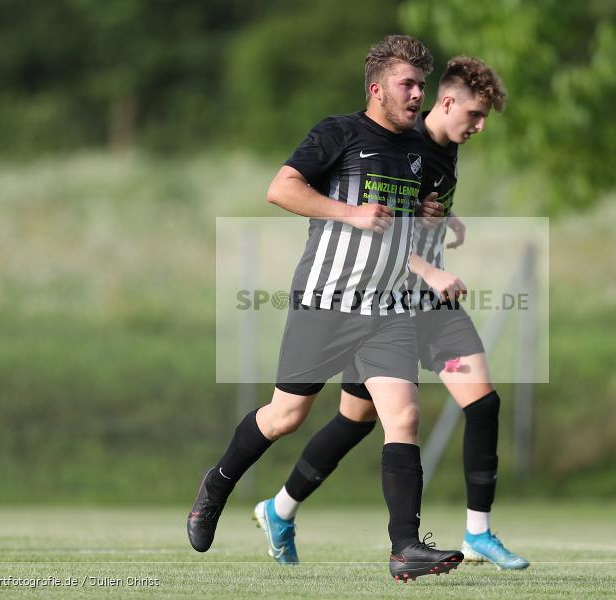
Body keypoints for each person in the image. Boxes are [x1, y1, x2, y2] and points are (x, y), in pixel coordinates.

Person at [187, 35, 464, 582]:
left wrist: (428, 217)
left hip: (387, 307)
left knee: (402, 416)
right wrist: (348, 212)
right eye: (407, 85)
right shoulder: (338, 133)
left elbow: (412, 228)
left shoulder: (426, 150)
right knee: (286, 416)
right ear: (376, 88)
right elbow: (281, 189)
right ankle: (216, 484)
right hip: (325, 300)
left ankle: (404, 548)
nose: (417, 95)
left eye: (421, 86)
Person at [252, 56, 529, 571]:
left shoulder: (446, 151)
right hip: (389, 303)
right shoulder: (404, 142)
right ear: (447, 103)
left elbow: (415, 216)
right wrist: (428, 270)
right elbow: (380, 234)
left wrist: (450, 218)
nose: (481, 126)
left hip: (430, 308)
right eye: (475, 115)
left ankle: (478, 533)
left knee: (480, 404)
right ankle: (281, 508)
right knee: (355, 419)